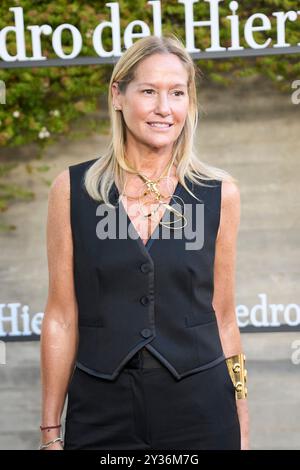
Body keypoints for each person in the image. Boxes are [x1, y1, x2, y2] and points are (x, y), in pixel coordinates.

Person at [40, 34, 249, 450]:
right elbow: (62, 316)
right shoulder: (72, 190)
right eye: (149, 91)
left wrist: (241, 423)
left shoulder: (218, 193)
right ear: (117, 95)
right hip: (101, 411)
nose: (164, 109)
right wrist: (50, 433)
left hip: (201, 409)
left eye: (177, 93)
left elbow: (223, 316)